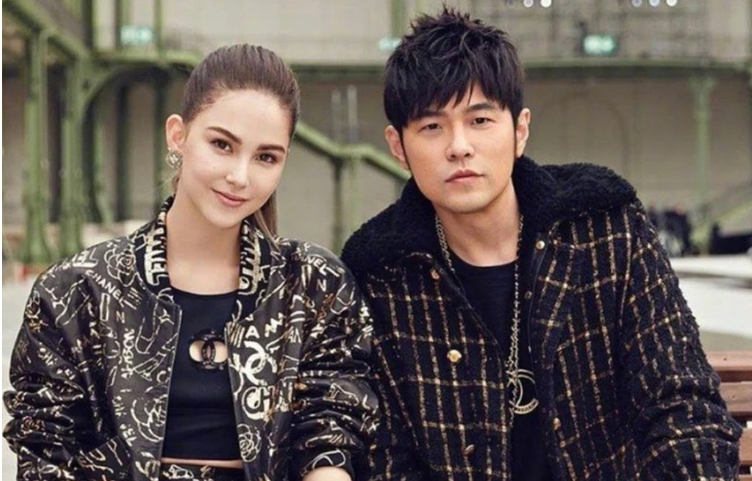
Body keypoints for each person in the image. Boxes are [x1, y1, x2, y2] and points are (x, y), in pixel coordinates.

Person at [341, 8, 741, 480]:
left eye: (480, 119)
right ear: (398, 146)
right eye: (432, 127)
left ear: (520, 131)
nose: (459, 146)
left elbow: (681, 402)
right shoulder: (381, 273)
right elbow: (388, 458)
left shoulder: (603, 227)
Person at [4, 44, 378, 481]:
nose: (239, 176)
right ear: (177, 135)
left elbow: (331, 433)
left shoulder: (314, 285)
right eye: (222, 144)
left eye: (266, 157)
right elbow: (45, 451)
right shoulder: (76, 291)